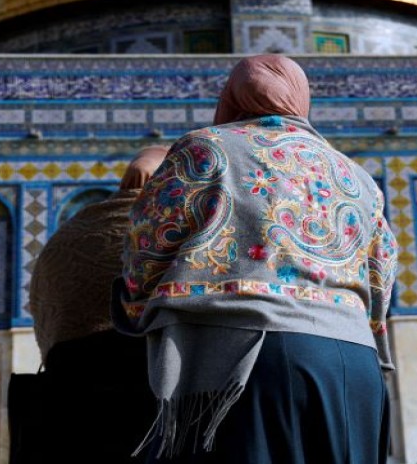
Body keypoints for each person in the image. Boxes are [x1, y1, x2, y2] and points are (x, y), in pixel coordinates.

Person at [116, 54, 398, 464]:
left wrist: (138, 308)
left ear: (234, 97)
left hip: (246, 357)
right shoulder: (356, 176)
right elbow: (382, 274)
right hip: (354, 365)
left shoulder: (206, 150)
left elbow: (146, 247)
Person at [23, 146, 168, 462]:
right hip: (149, 391)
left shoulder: (69, 234)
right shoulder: (170, 228)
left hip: (70, 397)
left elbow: (44, 312)